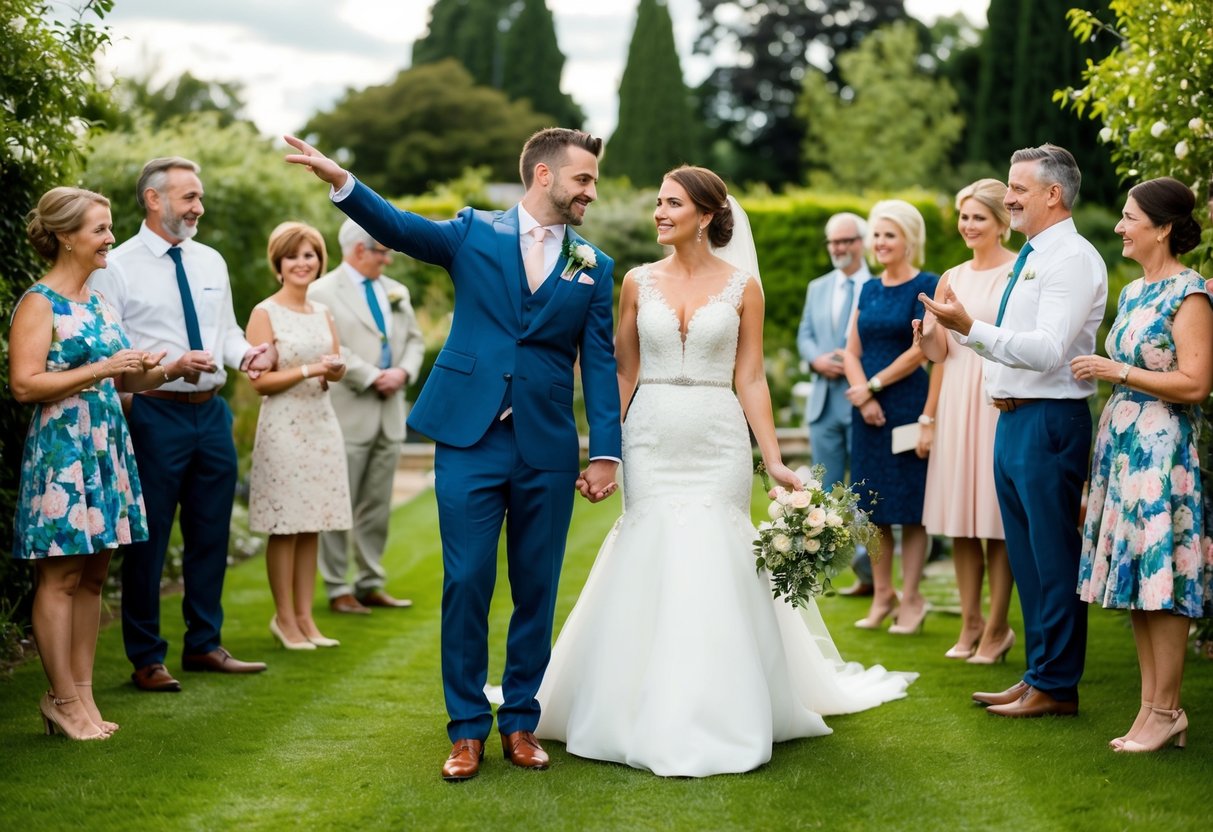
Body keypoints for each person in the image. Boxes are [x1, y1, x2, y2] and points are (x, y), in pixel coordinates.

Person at [534, 166, 915, 778]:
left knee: (715, 552)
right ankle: (631, 701)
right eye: (658, 202)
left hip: (717, 437)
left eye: (671, 203)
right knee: (652, 548)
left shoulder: (743, 287)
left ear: (706, 215)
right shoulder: (635, 281)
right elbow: (622, 372)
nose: (658, 212)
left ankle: (722, 703)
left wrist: (772, 458)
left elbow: (752, 377)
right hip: (652, 434)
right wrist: (608, 445)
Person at [284, 128, 622, 781]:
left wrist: (604, 450)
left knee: (536, 587)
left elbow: (600, 362)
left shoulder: (593, 265)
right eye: (582, 180)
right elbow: (400, 226)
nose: (590, 193)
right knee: (466, 581)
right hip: (468, 437)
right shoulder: (473, 232)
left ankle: (519, 722)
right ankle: (465, 728)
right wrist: (339, 181)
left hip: (546, 443)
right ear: (544, 176)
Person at [11, 187, 206, 738]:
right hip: (65, 450)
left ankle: (84, 699)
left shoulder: (98, 301)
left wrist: (164, 370)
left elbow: (125, 378)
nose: (110, 238)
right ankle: (61, 701)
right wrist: (102, 370)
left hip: (106, 443)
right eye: (99, 230)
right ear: (66, 236)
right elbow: (25, 384)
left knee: (95, 576)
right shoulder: (38, 303)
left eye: (109, 227)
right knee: (62, 575)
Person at [921, 144, 1107, 717]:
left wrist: (970, 327)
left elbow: (1050, 350)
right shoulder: (1032, 254)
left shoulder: (1070, 259)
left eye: (1018, 188)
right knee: (1027, 561)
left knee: (1051, 558)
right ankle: (1036, 676)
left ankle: (1055, 686)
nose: (1008, 197)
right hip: (1012, 418)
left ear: (1053, 194)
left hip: (1048, 421)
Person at [90, 157, 274, 692]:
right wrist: (165, 364)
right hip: (154, 412)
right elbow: (113, 350)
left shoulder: (211, 261)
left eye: (199, 196)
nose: (199, 206)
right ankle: (146, 657)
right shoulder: (116, 266)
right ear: (153, 199)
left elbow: (227, 331)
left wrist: (248, 355)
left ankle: (204, 645)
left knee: (211, 532)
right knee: (148, 542)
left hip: (212, 413)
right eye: (189, 196)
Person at [1071, 177, 1211, 751]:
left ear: (1163, 228)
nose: (1120, 226)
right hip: (1123, 449)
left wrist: (1118, 372)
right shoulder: (1132, 294)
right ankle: (1150, 709)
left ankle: (1168, 709)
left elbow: (1197, 383)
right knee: (1137, 581)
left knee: (1164, 575)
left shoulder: (1191, 294)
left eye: (1130, 218)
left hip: (1165, 452)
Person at [915, 180, 1016, 663]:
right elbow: (940, 354)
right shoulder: (950, 276)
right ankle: (969, 621)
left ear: (1001, 221)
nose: (968, 225)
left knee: (996, 520)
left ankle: (997, 628)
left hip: (994, 396)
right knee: (961, 520)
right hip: (956, 397)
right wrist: (924, 336)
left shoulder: (1019, 271)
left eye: (978, 217)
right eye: (964, 216)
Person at [307, 219, 425, 615]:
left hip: (390, 413)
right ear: (359, 249)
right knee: (340, 502)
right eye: (382, 251)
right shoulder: (321, 292)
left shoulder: (396, 292)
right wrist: (374, 375)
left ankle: (371, 581)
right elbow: (326, 346)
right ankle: (338, 586)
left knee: (376, 504)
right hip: (348, 409)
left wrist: (404, 372)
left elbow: (414, 340)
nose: (388, 259)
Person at [246, 222, 352, 649]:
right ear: (278, 263)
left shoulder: (323, 312)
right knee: (285, 525)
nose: (302, 263)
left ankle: (307, 620)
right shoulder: (264, 312)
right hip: (283, 425)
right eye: (293, 256)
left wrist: (335, 371)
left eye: (310, 255)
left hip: (321, 422)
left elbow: (334, 365)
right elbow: (259, 382)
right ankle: (284, 619)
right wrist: (310, 369)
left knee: (314, 522)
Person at [843, 200, 939, 635]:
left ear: (909, 240)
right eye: (876, 235)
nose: (879, 243)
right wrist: (863, 398)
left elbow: (923, 349)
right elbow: (850, 349)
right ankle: (883, 595)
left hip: (906, 404)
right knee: (872, 506)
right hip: (867, 410)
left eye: (889, 235)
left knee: (911, 508)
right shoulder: (868, 289)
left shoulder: (927, 284)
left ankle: (913, 599)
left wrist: (875, 387)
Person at [798, 212, 873, 596]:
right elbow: (806, 335)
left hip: (860, 402)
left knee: (862, 489)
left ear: (863, 242)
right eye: (833, 242)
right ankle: (821, 570)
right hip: (823, 404)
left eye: (846, 241)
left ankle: (868, 570)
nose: (839, 248)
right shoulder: (817, 286)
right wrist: (815, 360)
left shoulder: (877, 286)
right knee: (824, 491)